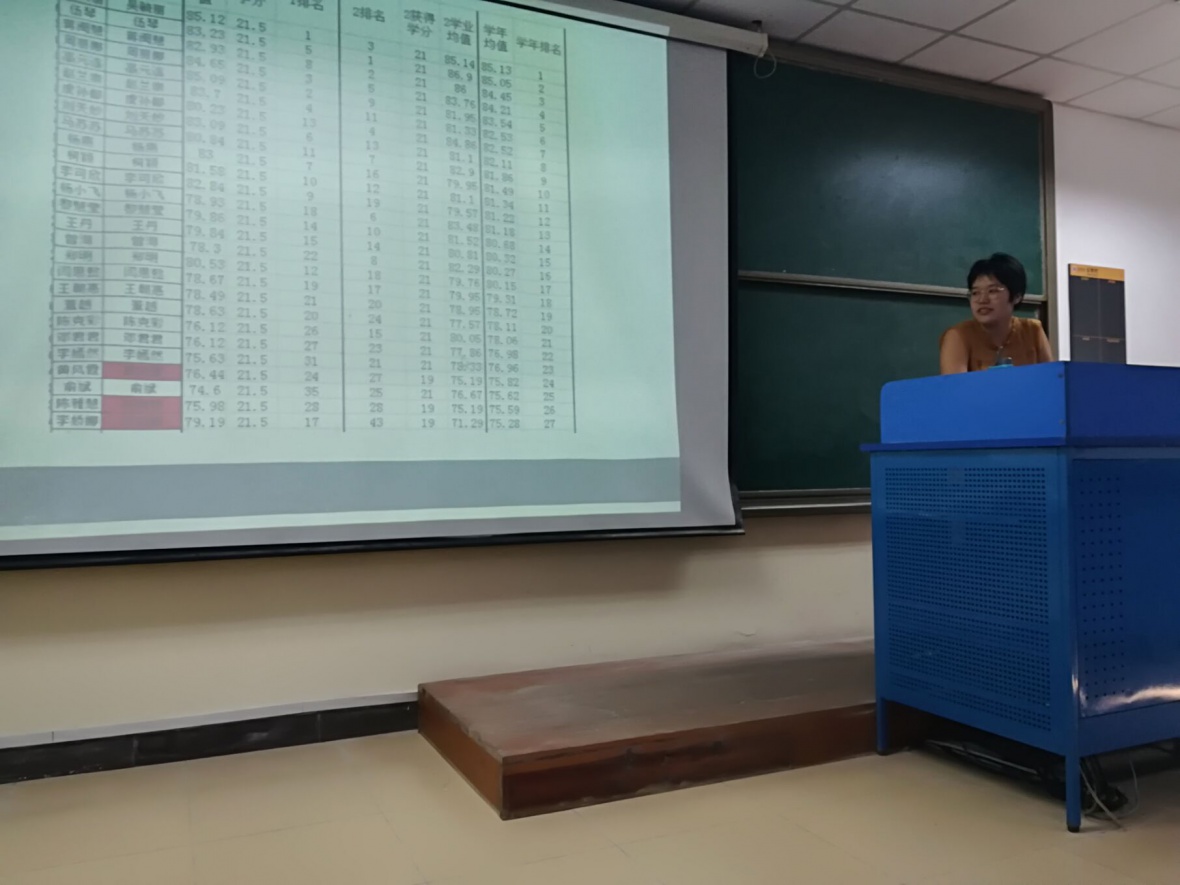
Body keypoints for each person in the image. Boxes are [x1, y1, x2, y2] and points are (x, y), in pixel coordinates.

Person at [940, 253, 1053, 374]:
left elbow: (1051, 379)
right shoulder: (958, 336)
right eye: (975, 292)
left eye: (992, 291)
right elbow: (957, 385)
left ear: (1017, 296)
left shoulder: (1032, 331)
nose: (982, 300)